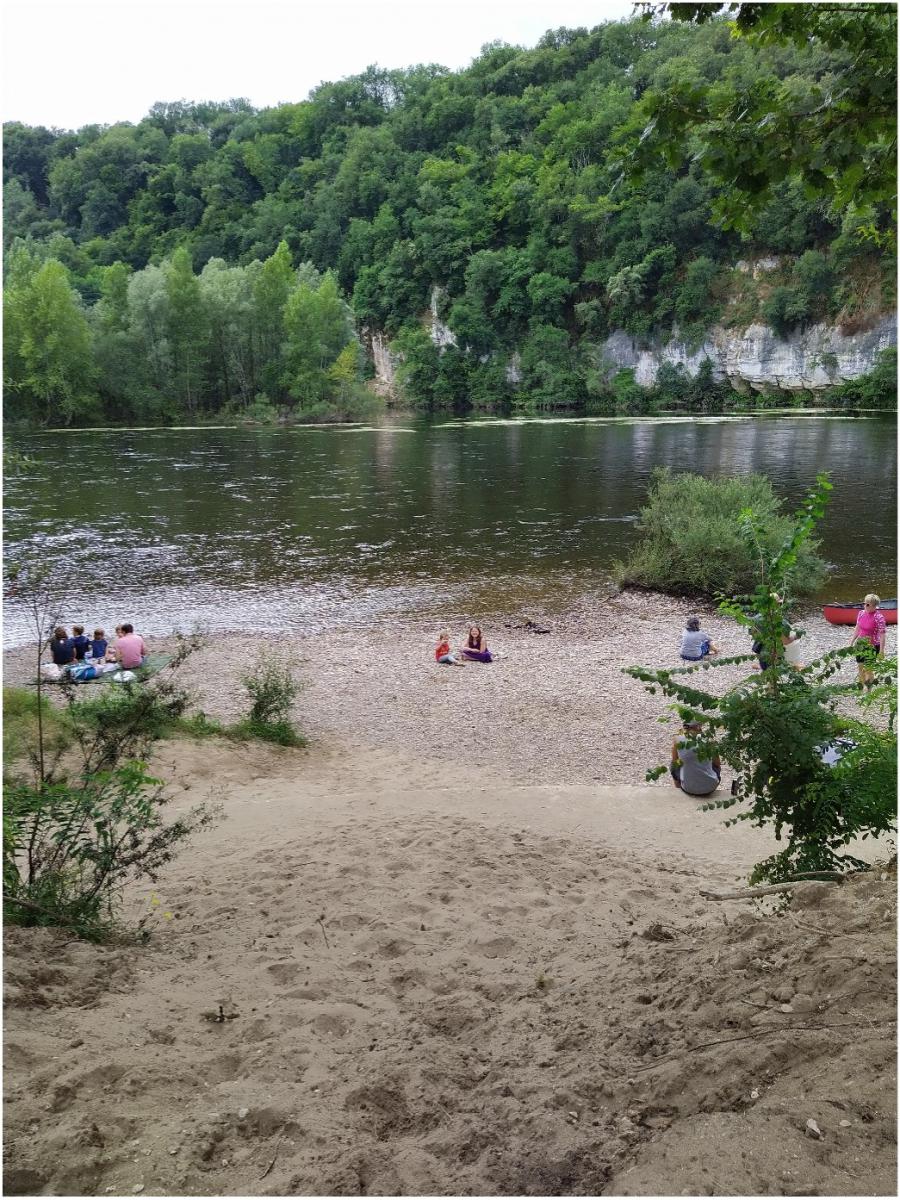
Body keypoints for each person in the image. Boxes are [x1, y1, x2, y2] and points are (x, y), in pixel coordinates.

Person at [670, 721, 721, 797]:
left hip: (688, 788)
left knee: (673, 766)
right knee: (715, 765)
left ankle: (678, 788)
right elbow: (717, 764)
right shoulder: (709, 740)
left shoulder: (677, 740)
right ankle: (709, 780)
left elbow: (675, 762)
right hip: (710, 788)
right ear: (698, 727)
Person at [849, 593, 886, 689]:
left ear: (874, 606)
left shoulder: (879, 617)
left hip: (872, 646)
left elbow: (882, 635)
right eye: (864, 603)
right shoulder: (861, 613)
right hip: (860, 644)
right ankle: (861, 688)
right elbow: (857, 628)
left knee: (869, 669)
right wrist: (852, 641)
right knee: (860, 667)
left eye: (868, 604)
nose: (865, 605)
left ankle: (869, 691)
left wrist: (881, 651)